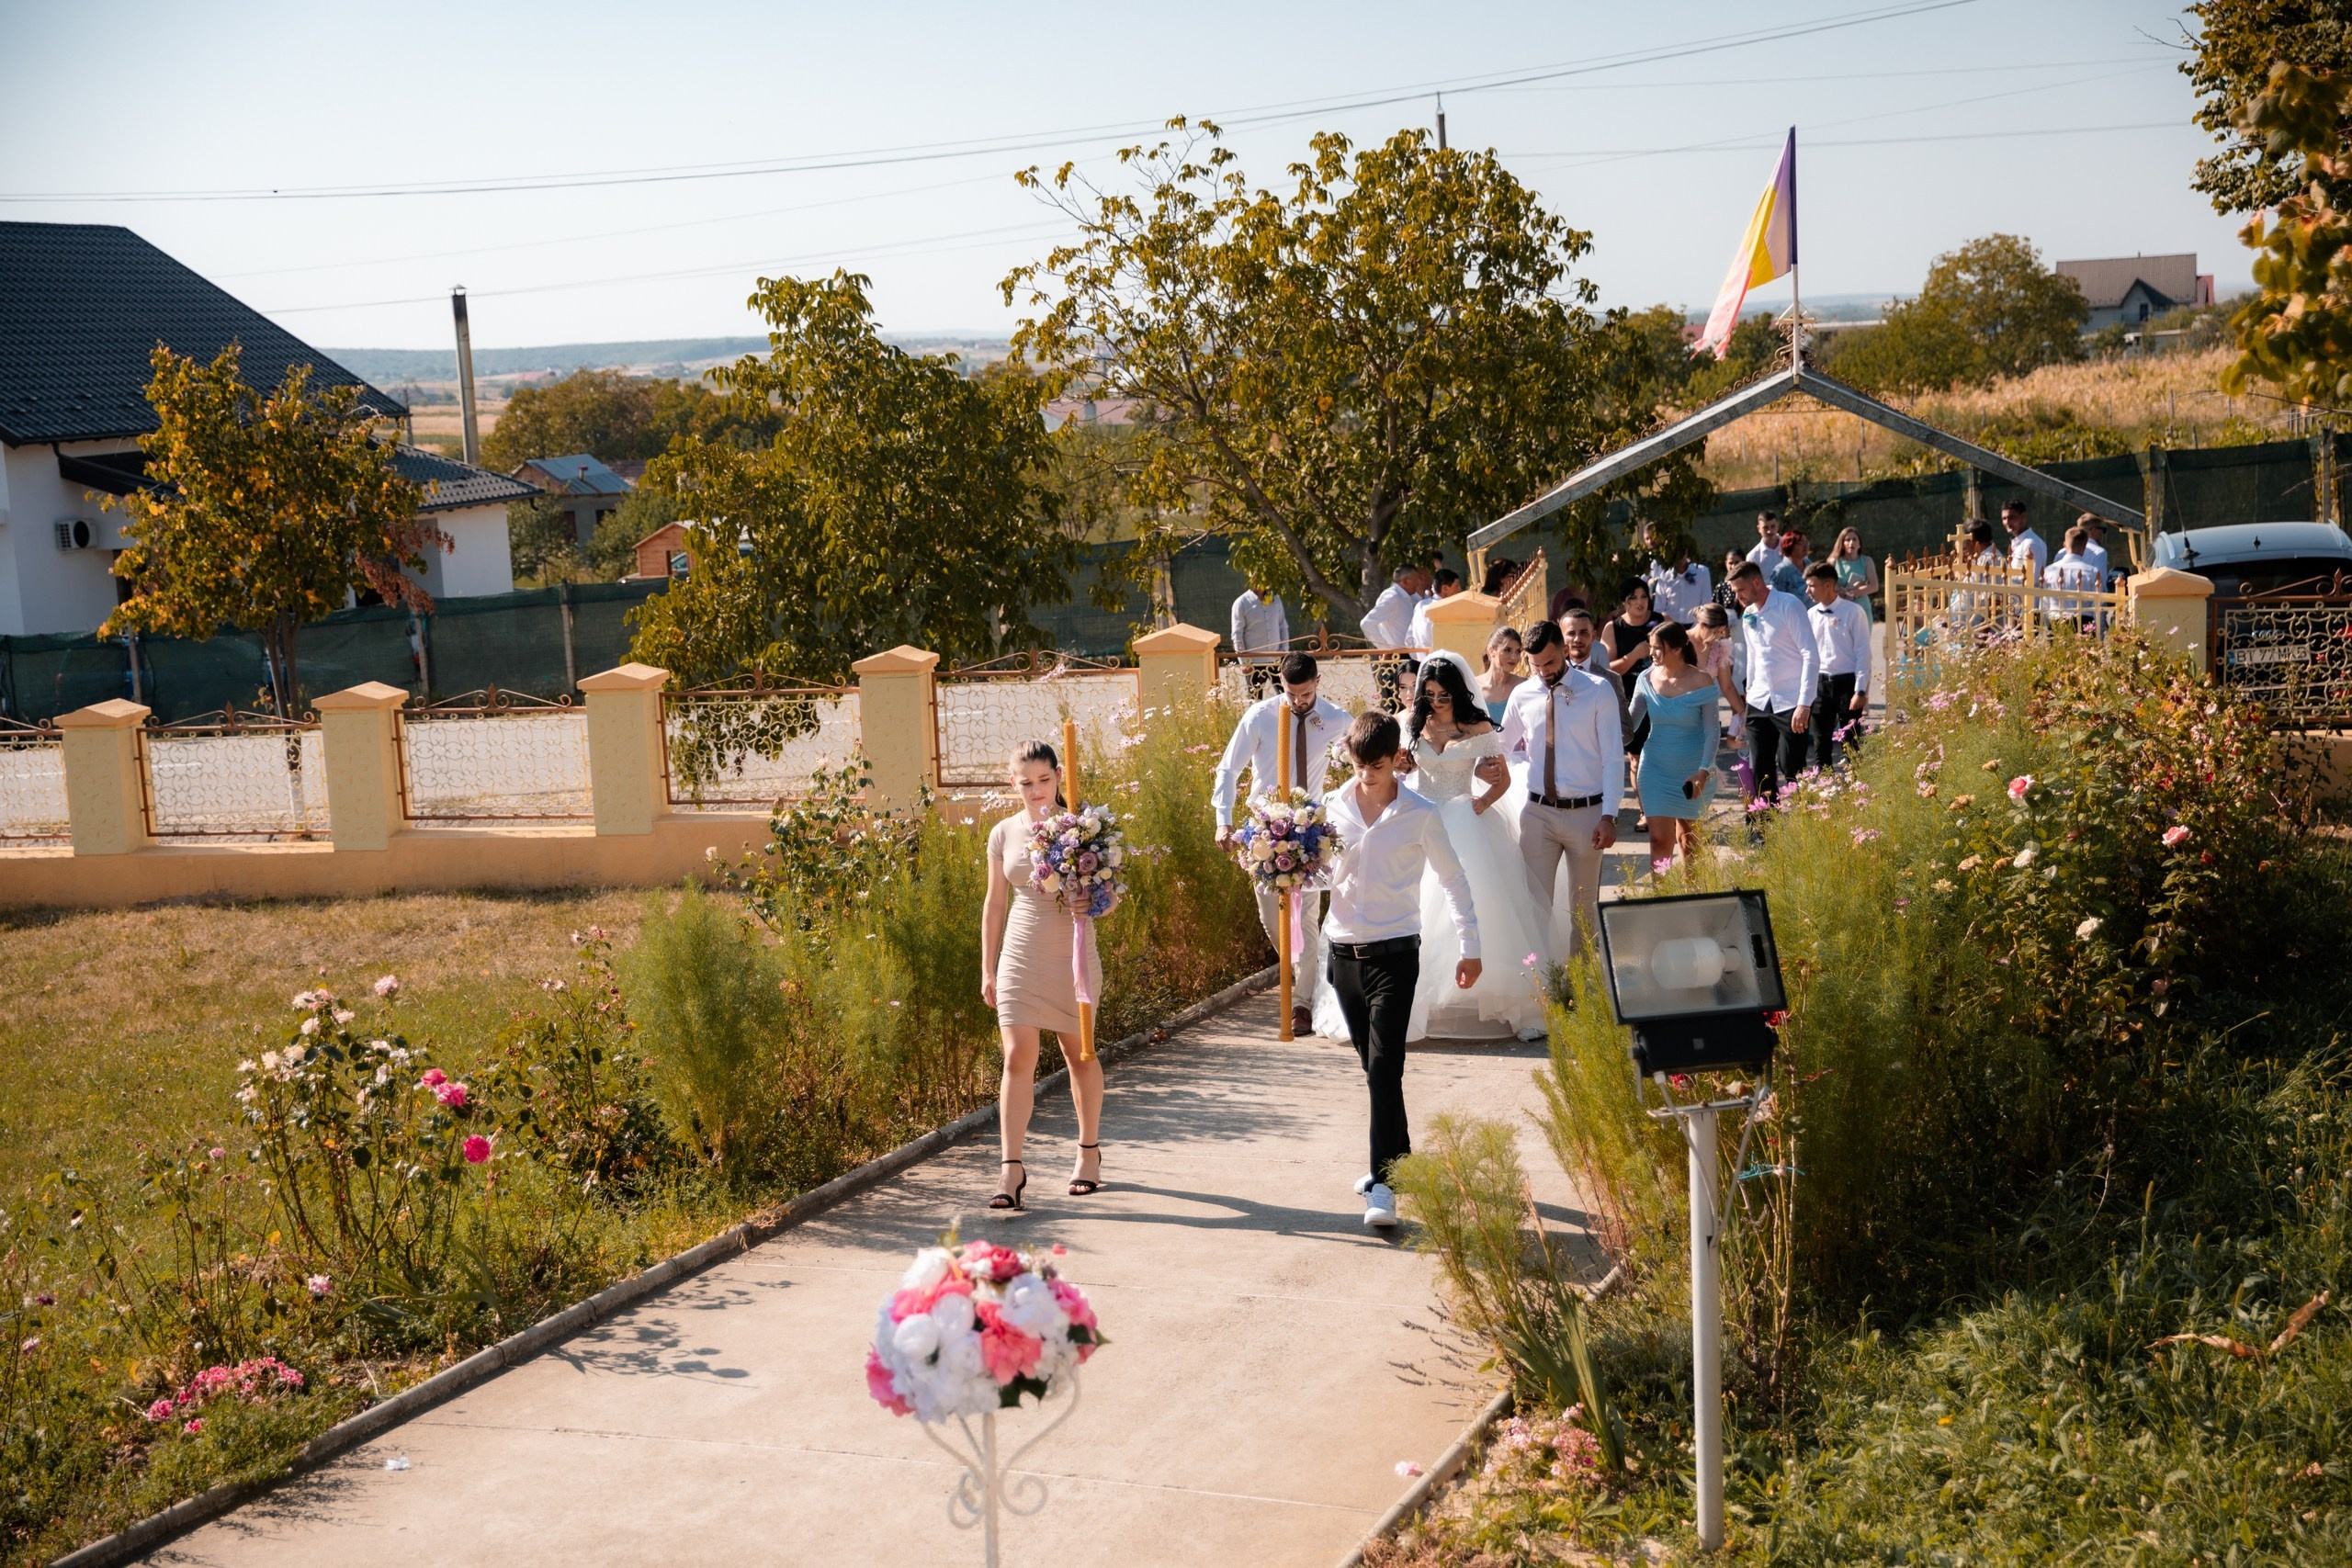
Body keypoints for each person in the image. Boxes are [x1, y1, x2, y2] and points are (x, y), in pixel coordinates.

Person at [1316, 652, 1549, 1042]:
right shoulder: (1411, 724)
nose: (1437, 702)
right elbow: (1397, 768)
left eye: (1444, 695)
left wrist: (1482, 802)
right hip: (1416, 819)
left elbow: (1503, 779)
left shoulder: (1477, 727)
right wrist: (1402, 768)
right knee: (1415, 904)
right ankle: (1407, 1007)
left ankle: (1495, 1000)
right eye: (1430, 695)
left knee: (1473, 900)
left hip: (1464, 821)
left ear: (1457, 692)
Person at [1319, 710, 1481, 1228]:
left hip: (1395, 955)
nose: (1367, 775)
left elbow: (1454, 879)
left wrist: (1470, 946)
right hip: (1343, 956)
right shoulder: (1330, 808)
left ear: (1396, 759)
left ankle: (1383, 1185)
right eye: (1359, 766)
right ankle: (1401, 1158)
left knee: (1386, 1069)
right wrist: (1287, 864)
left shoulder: (1420, 813)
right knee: (1375, 1071)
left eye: (1377, 766)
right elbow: (1319, 876)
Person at [980, 740, 1111, 1211]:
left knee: (1079, 1056)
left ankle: (1089, 1153)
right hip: (1019, 952)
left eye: (1044, 779)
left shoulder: (1086, 827)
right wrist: (987, 967)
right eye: (1026, 782)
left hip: (1071, 954)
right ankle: (1011, 1168)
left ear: (1059, 776)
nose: (1036, 790)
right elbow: (995, 903)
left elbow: (1110, 897)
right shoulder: (1002, 833)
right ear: (1012, 783)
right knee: (1017, 1057)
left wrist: (1091, 902)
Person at [1213, 651, 1353, 1038]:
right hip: (1264, 834)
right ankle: (1304, 977)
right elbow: (1229, 768)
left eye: (1305, 693)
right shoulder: (1260, 716)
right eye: (1291, 694)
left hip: (1310, 835)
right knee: (1273, 920)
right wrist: (1223, 820)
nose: (1299, 701)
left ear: (1317, 682)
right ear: (1282, 683)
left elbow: (1362, 756)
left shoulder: (1336, 718)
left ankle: (1302, 1004)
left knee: (1306, 919)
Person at [1499, 616, 1623, 961]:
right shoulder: (1522, 694)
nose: (1543, 671)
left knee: (1583, 911)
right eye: (1535, 665)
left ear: (1565, 650)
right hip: (1538, 813)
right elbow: (1499, 746)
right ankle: (1541, 980)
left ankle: (1581, 983)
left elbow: (1614, 758)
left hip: (1588, 815)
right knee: (1534, 905)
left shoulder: (1598, 690)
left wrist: (1609, 816)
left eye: (1550, 662)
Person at [1630, 622, 1722, 870]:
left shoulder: (1702, 680)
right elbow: (1630, 723)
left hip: (1694, 770)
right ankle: (1661, 893)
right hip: (1655, 769)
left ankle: (1691, 892)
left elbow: (1713, 730)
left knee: (1689, 841)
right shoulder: (1645, 678)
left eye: (1657, 648)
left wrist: (1704, 771)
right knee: (1659, 840)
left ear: (1677, 649)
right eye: (1650, 647)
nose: (1651, 653)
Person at [1729, 559, 1817, 804]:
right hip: (1759, 701)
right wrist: (1748, 696)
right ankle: (1765, 824)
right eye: (1735, 591)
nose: (1738, 597)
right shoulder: (1748, 614)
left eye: (1741, 590)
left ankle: (1805, 821)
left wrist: (1805, 703)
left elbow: (1810, 654)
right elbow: (1753, 657)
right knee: (1761, 770)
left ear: (1757, 582)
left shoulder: (1789, 605)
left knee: (1793, 768)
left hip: (1791, 701)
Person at [1804, 562, 1871, 769]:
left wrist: (1860, 690)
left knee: (1851, 742)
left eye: (1812, 586)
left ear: (1828, 585)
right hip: (1820, 684)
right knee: (1820, 742)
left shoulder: (1853, 612)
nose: (1807, 591)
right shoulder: (1810, 615)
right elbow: (1807, 654)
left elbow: (1863, 652)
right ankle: (1824, 782)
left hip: (1847, 683)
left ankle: (1856, 782)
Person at [1363, 564, 1432, 711]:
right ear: (1405, 581)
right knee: (1397, 705)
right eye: (1415, 580)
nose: (1417, 583)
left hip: (1406, 657)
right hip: (1395, 659)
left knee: (1411, 705)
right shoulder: (1392, 597)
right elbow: (1367, 623)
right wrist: (1386, 648)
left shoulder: (1406, 597)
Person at [1230, 580, 1290, 697]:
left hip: (1276, 660)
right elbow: (1237, 634)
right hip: (1254, 663)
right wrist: (1243, 662)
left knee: (1286, 697)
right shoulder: (1241, 603)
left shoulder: (1275, 599)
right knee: (1255, 699)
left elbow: (1283, 626)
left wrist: (1285, 652)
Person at [2043, 525, 2107, 631]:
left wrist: (2049, 625)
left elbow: (2045, 605)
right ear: (2085, 545)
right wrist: (2099, 634)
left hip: (2056, 622)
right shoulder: (2093, 572)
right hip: (2084, 624)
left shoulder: (2049, 571)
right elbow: (2098, 606)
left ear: (2065, 545)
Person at [1647, 545, 1713, 626]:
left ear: (1687, 553)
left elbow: (1706, 605)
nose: (1680, 558)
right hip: (1671, 627)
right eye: (1676, 554)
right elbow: (1659, 609)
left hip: (1696, 626)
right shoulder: (1664, 576)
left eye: (1682, 553)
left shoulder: (1702, 572)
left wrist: (1696, 628)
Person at [1476, 625, 1524, 723]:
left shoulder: (1523, 686)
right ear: (1491, 651)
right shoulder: (1473, 687)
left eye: (1518, 651)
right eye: (1507, 650)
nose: (1514, 657)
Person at [1407, 568, 1463, 653]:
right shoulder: (1446, 609)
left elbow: (1409, 640)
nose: (1459, 590)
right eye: (1456, 586)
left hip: (1421, 659)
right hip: (1442, 658)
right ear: (1445, 588)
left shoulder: (1420, 605)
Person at [1829, 526, 1878, 624]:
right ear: (1842, 543)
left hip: (1862, 609)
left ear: (1859, 544)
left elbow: (1874, 586)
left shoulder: (1867, 561)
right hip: (1840, 609)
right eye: (1847, 540)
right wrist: (1843, 591)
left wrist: (1853, 594)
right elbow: (1828, 586)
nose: (1851, 542)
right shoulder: (1833, 562)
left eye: (1854, 539)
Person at [2002, 500, 2047, 581]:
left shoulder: (2032, 544)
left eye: (2011, 517)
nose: (2007, 522)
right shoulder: (2019, 542)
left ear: (2023, 516)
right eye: (2004, 518)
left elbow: (2033, 580)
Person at [1771, 527, 1811, 598]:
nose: (1806, 546)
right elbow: (1776, 598)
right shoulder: (1781, 571)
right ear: (1789, 545)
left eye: (1807, 542)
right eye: (1801, 543)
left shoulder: (1809, 564)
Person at [2075, 513, 2112, 587]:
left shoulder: (2062, 552)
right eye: (2103, 530)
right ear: (2093, 530)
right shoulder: (2100, 553)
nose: (2103, 534)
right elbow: (2101, 585)